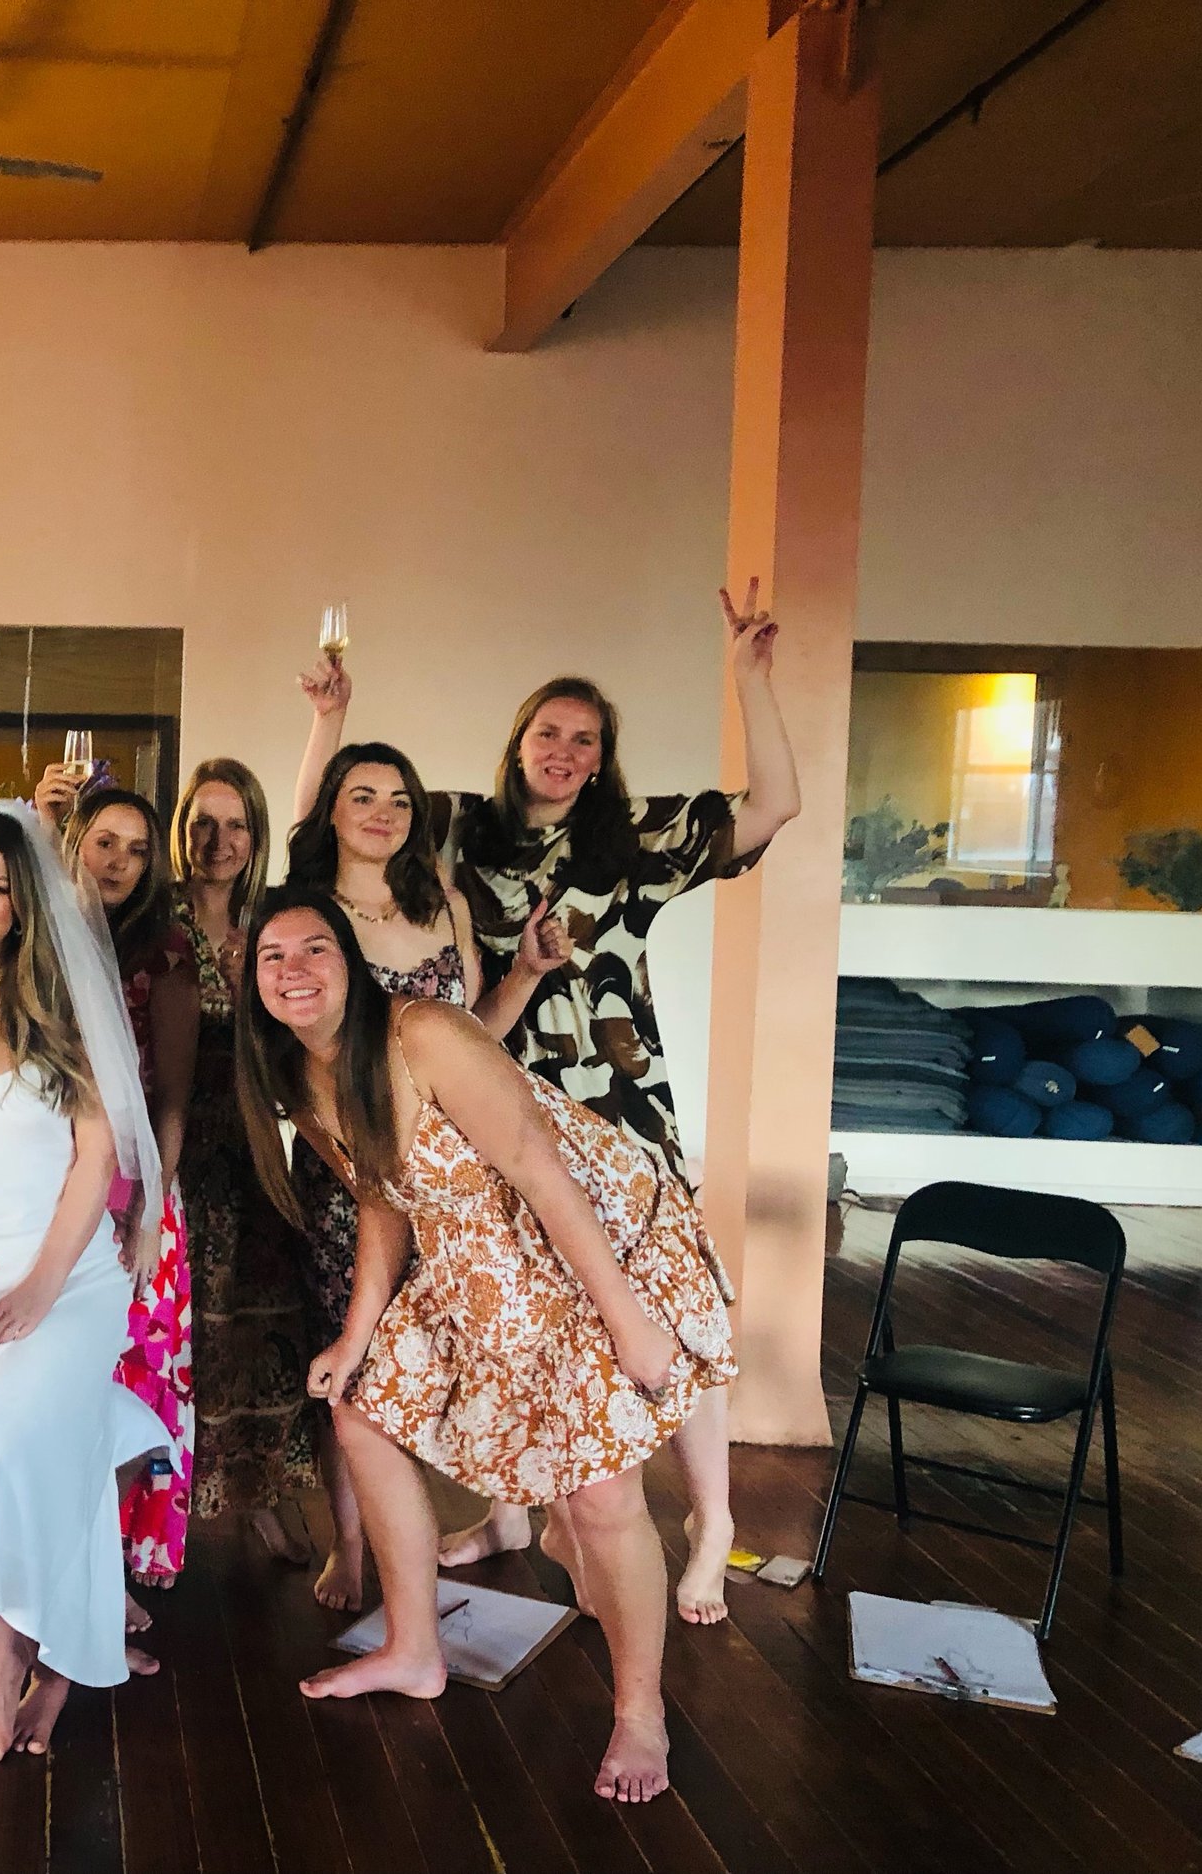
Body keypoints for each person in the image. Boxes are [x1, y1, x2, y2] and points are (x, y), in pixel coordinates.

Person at [291, 585, 795, 1621]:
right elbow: (327, 835)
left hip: (617, 1117)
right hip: (490, 1125)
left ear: (602, 759)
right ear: (516, 741)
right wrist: (328, 722)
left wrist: (749, 677)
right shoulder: (461, 836)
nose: (564, 752)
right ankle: (514, 1510)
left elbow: (771, 808)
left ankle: (711, 1520)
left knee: (664, 1307)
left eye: (585, 741)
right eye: (548, 733)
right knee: (511, 1316)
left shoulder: (632, 843)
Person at [239, 888, 737, 1805]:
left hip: (584, 1237)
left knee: (600, 1495)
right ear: (253, 979)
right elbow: (384, 1192)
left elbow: (541, 1169)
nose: (296, 970)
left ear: (351, 961)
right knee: (358, 1413)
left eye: (317, 948)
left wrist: (627, 1320)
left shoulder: (422, 1032)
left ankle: (639, 1711)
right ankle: (414, 1648)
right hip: (471, 1254)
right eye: (274, 955)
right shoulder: (299, 1073)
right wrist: (357, 1337)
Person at [0, 805, 175, 1764]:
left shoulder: (60, 1006)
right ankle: (64, 1661)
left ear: (25, 904)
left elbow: (96, 1156)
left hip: (69, 1273)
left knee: (13, 1434)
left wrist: (46, 1287)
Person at [278, 737, 573, 1609]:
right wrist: (321, 719)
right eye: (361, 794)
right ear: (329, 808)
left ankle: (504, 1504)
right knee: (354, 1354)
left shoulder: (440, 901)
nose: (382, 811)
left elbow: (472, 1031)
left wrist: (525, 971)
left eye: (399, 798)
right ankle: (352, 1542)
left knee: (482, 1338)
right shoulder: (311, 915)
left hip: (458, 1164)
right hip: (350, 1165)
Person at [55, 785, 197, 1597]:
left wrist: (151, 1212)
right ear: (74, 842)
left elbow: (170, 1097)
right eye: (104, 841)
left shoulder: (164, 954)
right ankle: (56, 1557)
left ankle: (108, 1573)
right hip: (52, 1182)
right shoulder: (38, 937)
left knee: (127, 1379)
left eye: (137, 849)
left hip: (137, 1191)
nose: (117, 861)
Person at [170, 758, 311, 1568]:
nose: (216, 841)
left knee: (264, 1329)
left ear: (254, 836)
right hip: (180, 1147)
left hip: (255, 1148)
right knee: (187, 1334)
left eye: (234, 825)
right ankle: (171, 1506)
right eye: (201, 823)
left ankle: (264, 1500)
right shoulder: (157, 919)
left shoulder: (271, 927)